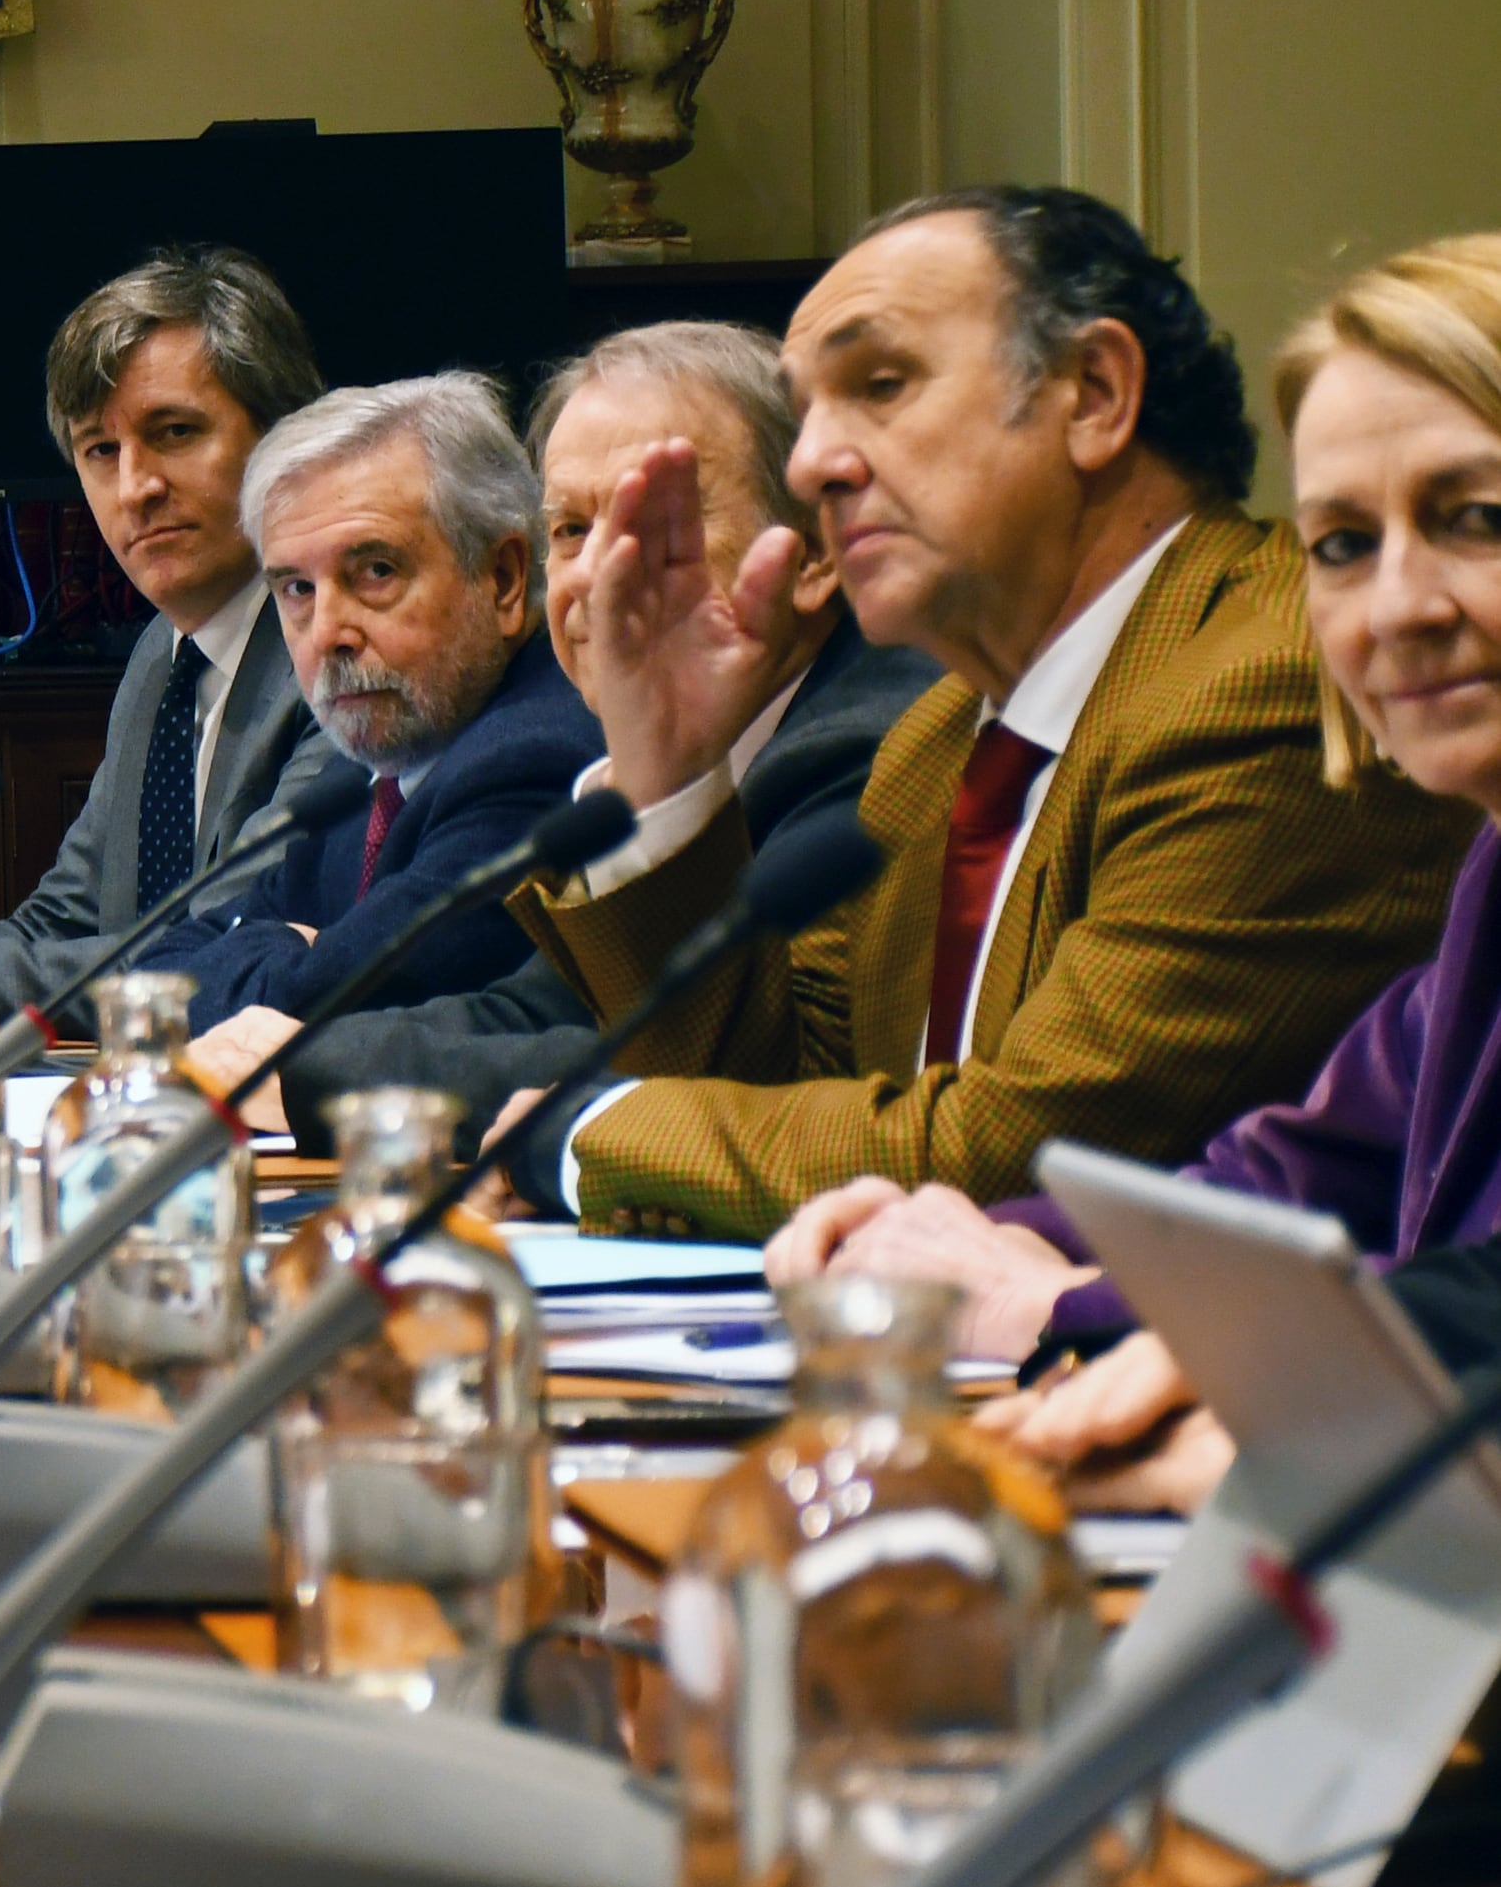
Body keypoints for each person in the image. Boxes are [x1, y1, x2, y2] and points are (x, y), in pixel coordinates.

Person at [513, 186, 1473, 1240]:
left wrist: (580, 1132)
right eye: (804, 414)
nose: (809, 464)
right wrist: (664, 762)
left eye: (877, 385)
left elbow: (1011, 1158)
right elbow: (778, 1084)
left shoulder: (1265, 685)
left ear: (1093, 394)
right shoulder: (934, 746)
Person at [764, 235, 1501, 1430]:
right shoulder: (1489, 877)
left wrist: (1059, 1307)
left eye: (1471, 517)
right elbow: (1283, 1178)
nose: (1399, 609)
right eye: (1343, 545)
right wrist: (956, 1242)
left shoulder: (1228, 686)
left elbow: (1470, 1308)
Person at [244, 322, 937, 1130]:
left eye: (661, 526)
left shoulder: (874, 748)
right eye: (571, 530)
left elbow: (736, 1085)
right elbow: (543, 1013)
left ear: (815, 555)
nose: (600, 579)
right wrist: (298, 1062)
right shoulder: (652, 756)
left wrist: (308, 1075)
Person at [0, 247, 341, 1015]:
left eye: (175, 432)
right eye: (101, 450)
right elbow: (62, 923)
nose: (136, 487)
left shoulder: (333, 653)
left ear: (283, 443)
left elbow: (214, 953)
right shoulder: (160, 658)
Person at [159, 376, 602, 1036]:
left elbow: (326, 1008)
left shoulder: (535, 757)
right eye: (298, 589)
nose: (329, 632)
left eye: (376, 572)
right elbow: (158, 972)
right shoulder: (363, 775)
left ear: (505, 580)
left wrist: (282, 952)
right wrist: (290, 951)